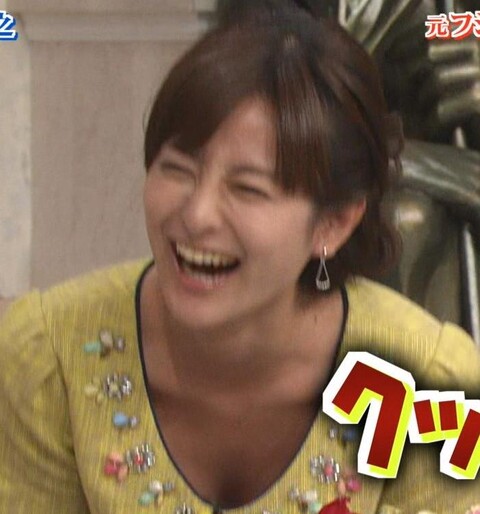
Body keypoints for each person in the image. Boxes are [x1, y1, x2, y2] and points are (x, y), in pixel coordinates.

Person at [0, 4, 479, 513]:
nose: (196, 214)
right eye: (177, 169)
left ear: (333, 224)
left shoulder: (426, 381)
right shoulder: (50, 354)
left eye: (248, 189)